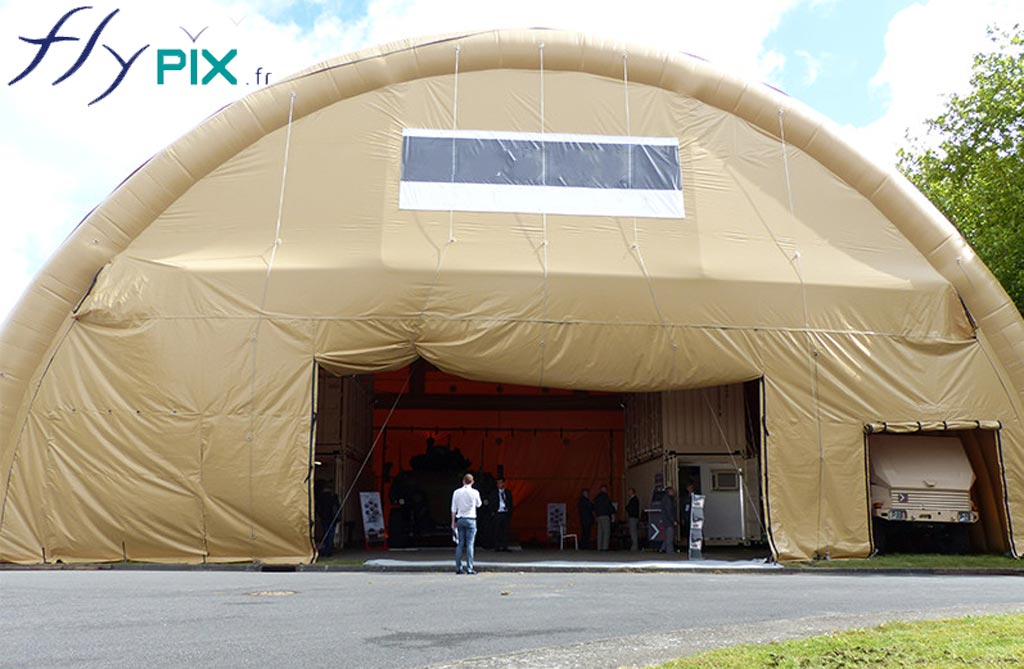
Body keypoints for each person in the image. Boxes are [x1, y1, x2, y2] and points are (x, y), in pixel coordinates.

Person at [451, 473, 482, 574]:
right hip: (471, 519)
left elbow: (453, 509)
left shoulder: (457, 492)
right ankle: (469, 568)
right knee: (470, 544)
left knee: (460, 544)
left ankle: (458, 567)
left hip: (460, 519)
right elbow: (479, 504)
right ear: (472, 482)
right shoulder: (475, 492)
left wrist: (453, 521)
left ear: (463, 481)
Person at [315, 482, 340, 557]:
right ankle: (330, 548)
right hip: (332, 516)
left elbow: (318, 507)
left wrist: (319, 515)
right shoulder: (334, 496)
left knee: (326, 531)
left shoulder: (321, 497)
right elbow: (338, 506)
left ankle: (327, 548)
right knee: (331, 532)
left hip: (324, 516)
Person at [492, 477, 513, 551]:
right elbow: (492, 503)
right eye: (498, 483)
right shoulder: (494, 493)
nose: (499, 484)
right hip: (498, 513)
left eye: (501, 483)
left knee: (505, 530)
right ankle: (497, 546)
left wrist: (510, 512)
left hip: (505, 513)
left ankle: (505, 546)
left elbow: (510, 503)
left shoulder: (508, 492)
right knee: (496, 530)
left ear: (503, 483)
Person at [593, 484, 615, 551]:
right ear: (605, 489)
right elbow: (609, 506)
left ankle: (599, 547)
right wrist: (613, 511)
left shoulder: (596, 498)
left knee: (600, 532)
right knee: (606, 532)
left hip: (599, 516)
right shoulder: (606, 497)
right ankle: (605, 548)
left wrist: (596, 515)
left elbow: (594, 508)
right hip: (605, 516)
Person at [660, 486, 678, 555]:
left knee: (667, 535)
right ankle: (669, 550)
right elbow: (669, 511)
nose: (673, 492)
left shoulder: (665, 498)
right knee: (669, 536)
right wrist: (673, 520)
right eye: (672, 491)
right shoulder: (668, 500)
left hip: (665, 520)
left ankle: (663, 548)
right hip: (668, 521)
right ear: (669, 492)